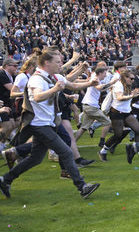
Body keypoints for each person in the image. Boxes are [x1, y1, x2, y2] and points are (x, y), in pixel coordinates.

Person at [0, 49, 100, 199]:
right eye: (57, 62)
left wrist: (89, 83)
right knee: (66, 152)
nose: (60, 65)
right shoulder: (36, 79)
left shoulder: (54, 76)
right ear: (47, 62)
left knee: (35, 158)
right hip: (39, 124)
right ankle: (82, 187)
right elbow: (38, 96)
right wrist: (54, 89)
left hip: (48, 123)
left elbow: (72, 86)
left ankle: (5, 180)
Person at [99, 70, 139, 161]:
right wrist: (132, 95)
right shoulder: (118, 85)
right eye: (131, 78)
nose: (133, 80)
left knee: (137, 129)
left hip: (127, 112)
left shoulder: (127, 84)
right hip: (117, 113)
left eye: (133, 79)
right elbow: (120, 98)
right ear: (125, 77)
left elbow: (128, 93)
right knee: (118, 134)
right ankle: (103, 151)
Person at [73, 67, 116, 146]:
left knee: (84, 127)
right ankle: (102, 142)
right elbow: (98, 87)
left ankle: (72, 143)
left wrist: (109, 87)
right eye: (104, 73)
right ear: (100, 73)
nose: (105, 75)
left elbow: (99, 90)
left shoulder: (96, 79)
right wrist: (111, 82)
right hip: (91, 107)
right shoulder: (95, 79)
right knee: (108, 122)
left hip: (88, 106)